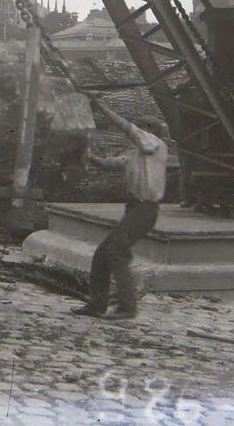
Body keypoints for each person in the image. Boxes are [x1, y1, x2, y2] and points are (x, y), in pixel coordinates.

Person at [70, 107, 168, 320]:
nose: (134, 135)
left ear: (147, 131)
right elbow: (110, 164)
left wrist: (101, 106)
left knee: (116, 252)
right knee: (101, 255)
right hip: (135, 209)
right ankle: (96, 304)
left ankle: (127, 308)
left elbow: (127, 128)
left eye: (139, 130)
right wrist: (89, 156)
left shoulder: (155, 144)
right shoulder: (135, 153)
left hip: (145, 209)